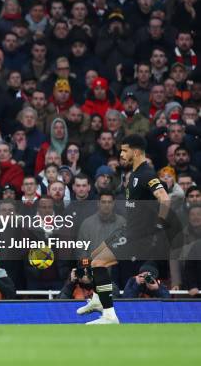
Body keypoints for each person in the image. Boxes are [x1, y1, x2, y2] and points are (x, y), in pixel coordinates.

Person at [76, 135, 171, 324]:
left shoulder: (146, 174)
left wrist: (159, 226)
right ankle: (97, 299)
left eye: (124, 150)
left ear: (135, 152)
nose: (121, 154)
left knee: (98, 263)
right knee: (94, 257)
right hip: (128, 230)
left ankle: (109, 315)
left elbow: (165, 198)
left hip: (138, 235)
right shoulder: (135, 174)